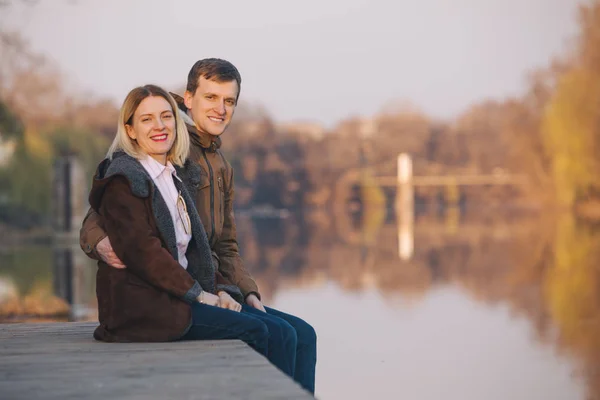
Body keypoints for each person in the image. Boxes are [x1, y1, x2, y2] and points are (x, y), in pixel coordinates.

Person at [80, 60, 316, 394]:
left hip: (204, 280)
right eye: (211, 98)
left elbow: (225, 245)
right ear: (188, 100)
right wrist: (97, 240)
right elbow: (104, 213)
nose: (220, 109)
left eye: (229, 101)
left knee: (301, 334)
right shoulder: (164, 149)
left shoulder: (220, 165)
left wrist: (245, 290)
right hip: (169, 291)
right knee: (276, 334)